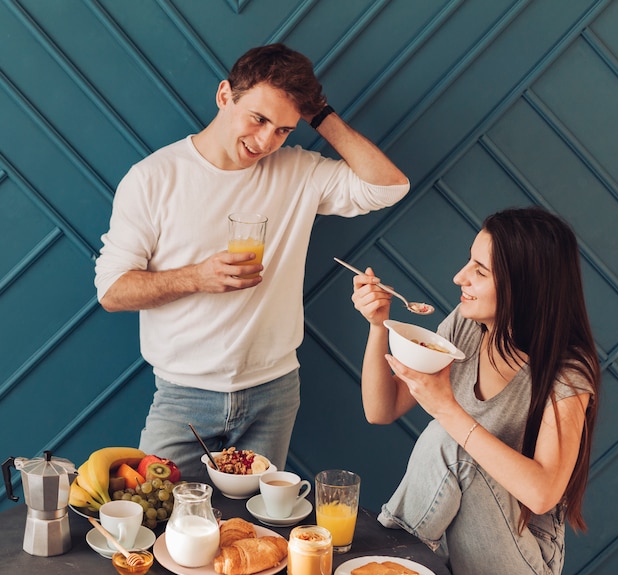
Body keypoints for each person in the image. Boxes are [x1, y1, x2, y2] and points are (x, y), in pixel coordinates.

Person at [95, 43, 409, 481]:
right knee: (156, 522)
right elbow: (111, 292)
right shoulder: (153, 178)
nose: (264, 142)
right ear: (225, 96)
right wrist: (197, 277)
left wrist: (319, 114)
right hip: (183, 396)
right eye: (258, 119)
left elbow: (388, 187)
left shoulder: (299, 170)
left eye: (283, 130)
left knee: (255, 535)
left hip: (274, 393)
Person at [350, 207, 599, 575]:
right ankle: (390, 558)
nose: (459, 277)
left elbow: (542, 494)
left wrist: (448, 410)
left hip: (521, 568)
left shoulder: (567, 374)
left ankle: (388, 552)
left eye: (480, 271)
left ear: (526, 286)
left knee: (450, 439)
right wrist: (379, 326)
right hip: (448, 547)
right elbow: (382, 409)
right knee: (448, 436)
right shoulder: (466, 327)